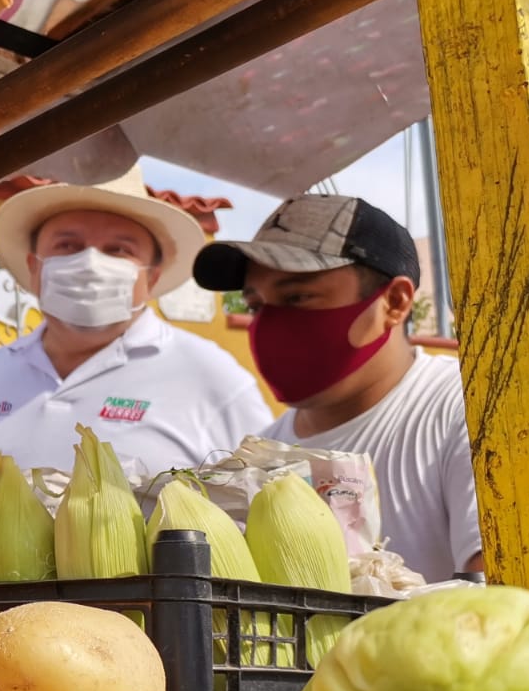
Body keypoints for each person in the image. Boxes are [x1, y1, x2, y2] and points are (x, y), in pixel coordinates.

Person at [193, 193, 483, 583]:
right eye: (258, 306)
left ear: (394, 303)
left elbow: (507, 598)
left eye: (297, 296)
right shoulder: (260, 459)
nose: (271, 325)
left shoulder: (464, 409)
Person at [0, 166, 272, 486]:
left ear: (152, 276)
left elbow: (267, 505)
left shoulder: (212, 377)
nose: (90, 263)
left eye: (119, 250)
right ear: (35, 267)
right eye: (68, 245)